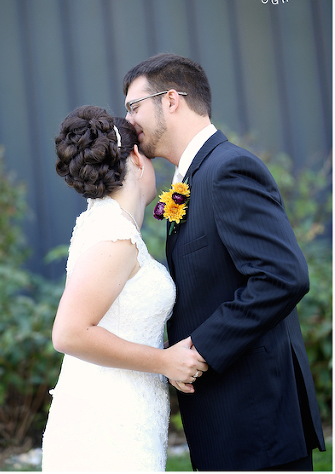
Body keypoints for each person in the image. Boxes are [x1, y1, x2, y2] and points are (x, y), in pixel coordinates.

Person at [123, 53, 325, 471]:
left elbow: (282, 276)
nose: (128, 121)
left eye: (134, 106)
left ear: (171, 100)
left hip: (258, 422)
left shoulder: (228, 169)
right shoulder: (193, 179)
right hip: (229, 419)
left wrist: (199, 350)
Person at [41, 105, 208, 471]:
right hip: (106, 426)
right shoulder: (115, 236)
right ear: (135, 156)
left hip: (123, 413)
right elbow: (69, 333)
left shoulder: (108, 224)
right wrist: (165, 361)